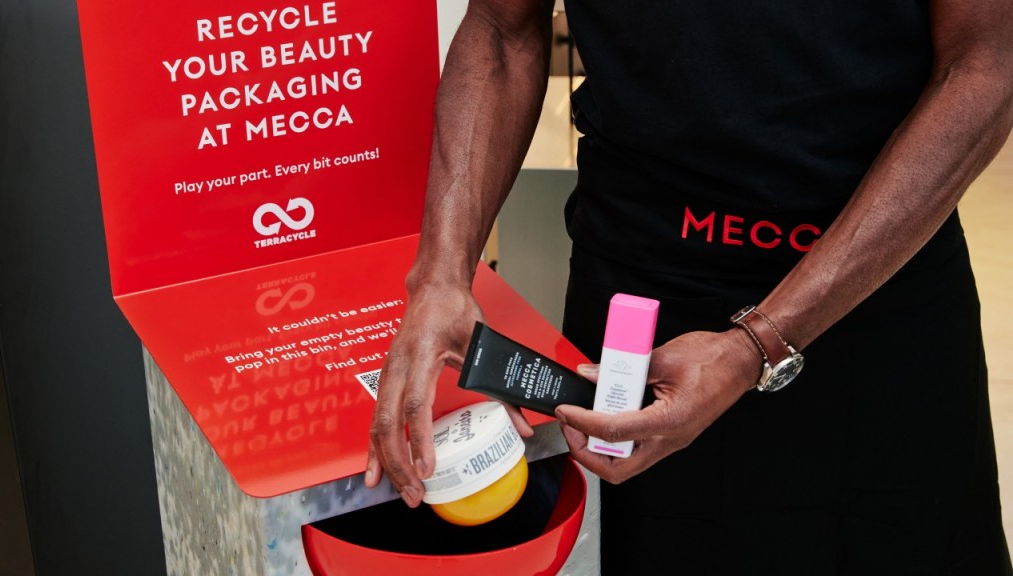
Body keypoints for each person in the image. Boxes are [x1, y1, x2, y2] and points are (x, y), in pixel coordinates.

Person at [365, 0, 1013, 573]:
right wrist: (442, 273)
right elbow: (503, 29)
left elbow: (985, 62)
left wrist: (757, 342)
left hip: (875, 290)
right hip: (641, 303)